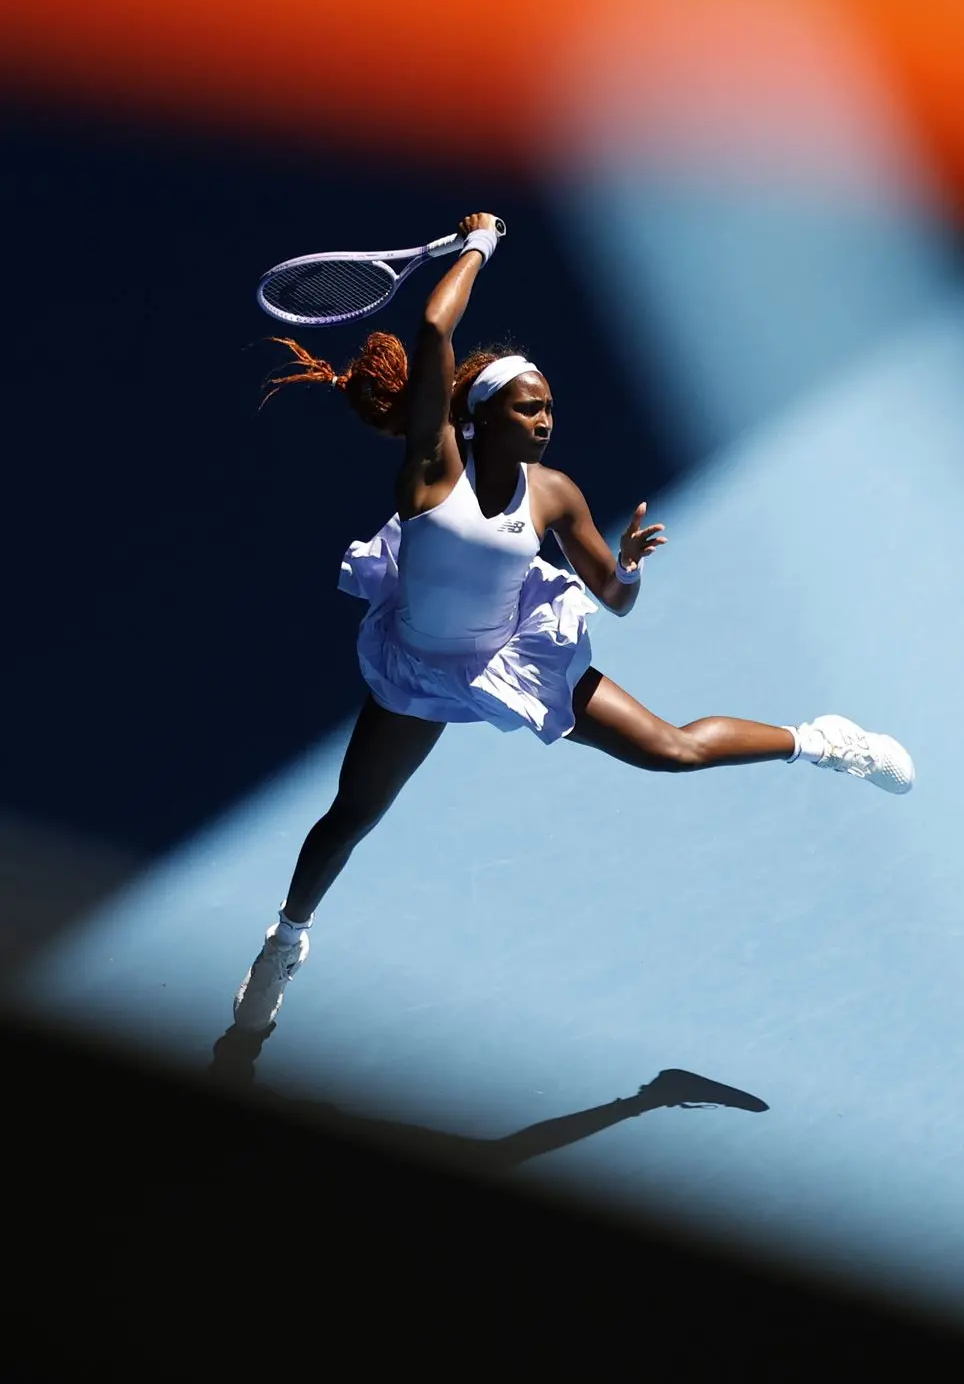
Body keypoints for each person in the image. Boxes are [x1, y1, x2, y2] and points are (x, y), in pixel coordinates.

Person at [232, 211, 915, 1032]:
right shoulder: (431, 464)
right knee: (352, 816)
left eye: (550, 407)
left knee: (670, 748)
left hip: (516, 656)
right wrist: (480, 243)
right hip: (420, 668)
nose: (546, 420)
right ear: (483, 416)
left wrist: (625, 565)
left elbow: (616, 600)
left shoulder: (555, 493)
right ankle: (287, 938)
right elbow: (433, 324)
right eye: (528, 410)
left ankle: (823, 741)